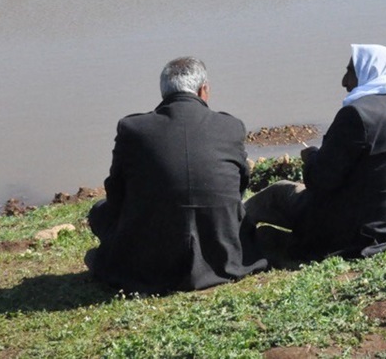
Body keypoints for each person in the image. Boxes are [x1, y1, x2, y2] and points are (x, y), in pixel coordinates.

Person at [243, 44, 386, 261]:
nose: (344, 82)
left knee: (278, 194)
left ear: (369, 71)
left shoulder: (358, 115)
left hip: (361, 233)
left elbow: (320, 182)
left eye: (350, 72)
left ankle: (224, 238)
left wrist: (310, 157)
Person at [85, 57, 266, 294]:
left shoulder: (133, 129)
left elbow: (116, 195)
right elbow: (240, 187)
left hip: (149, 264)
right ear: (204, 90)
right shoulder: (230, 126)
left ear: (164, 93)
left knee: (98, 213)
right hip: (223, 257)